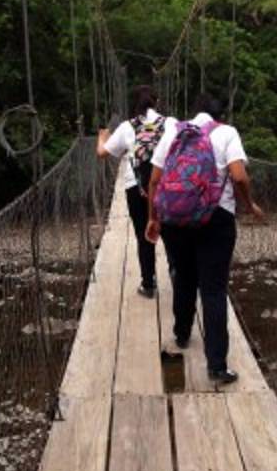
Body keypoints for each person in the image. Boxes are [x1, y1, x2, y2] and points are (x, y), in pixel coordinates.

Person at [145, 93, 263, 384]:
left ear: (194, 111)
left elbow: (154, 180)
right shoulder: (226, 133)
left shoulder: (174, 130)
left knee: (183, 276)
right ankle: (217, 367)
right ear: (219, 115)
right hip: (216, 218)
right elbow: (239, 176)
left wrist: (153, 217)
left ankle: (182, 334)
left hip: (176, 218)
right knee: (213, 290)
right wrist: (249, 204)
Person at [97, 85, 178, 298]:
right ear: (157, 102)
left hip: (137, 188)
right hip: (165, 187)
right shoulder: (171, 123)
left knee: (144, 235)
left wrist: (102, 137)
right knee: (171, 232)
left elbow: (102, 154)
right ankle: (177, 273)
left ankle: (148, 284)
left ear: (135, 105)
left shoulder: (126, 126)